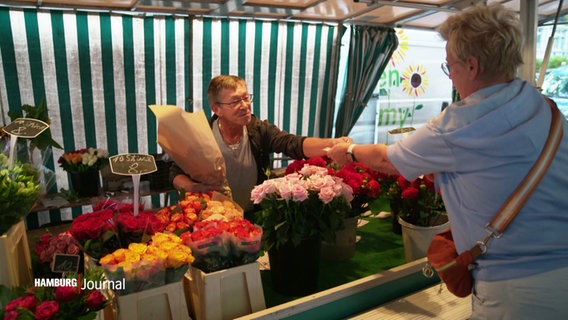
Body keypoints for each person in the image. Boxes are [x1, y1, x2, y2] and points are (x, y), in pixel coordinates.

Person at [328, 4, 568, 319]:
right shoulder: (545, 108)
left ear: (472, 66)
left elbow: (390, 161)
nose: (451, 76)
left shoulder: (461, 122)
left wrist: (349, 150)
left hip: (514, 291)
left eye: (449, 66)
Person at [170, 74, 351, 215]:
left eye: (246, 98)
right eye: (235, 101)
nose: (244, 106)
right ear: (216, 109)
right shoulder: (201, 135)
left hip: (255, 214)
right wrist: (193, 188)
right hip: (214, 219)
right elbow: (175, 173)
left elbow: (292, 143)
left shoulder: (258, 130)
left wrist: (333, 143)